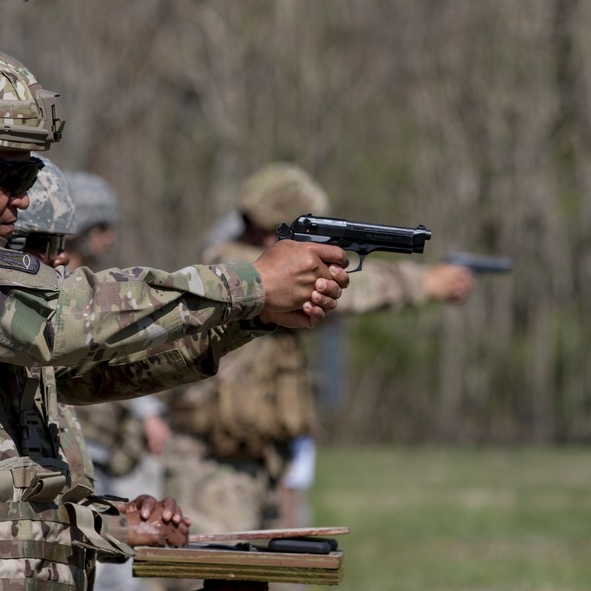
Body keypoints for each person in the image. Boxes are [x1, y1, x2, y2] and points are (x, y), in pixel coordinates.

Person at [0, 41, 349, 591]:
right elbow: (60, 316)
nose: (24, 198)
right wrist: (248, 285)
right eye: (11, 175)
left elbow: (97, 370)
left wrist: (254, 319)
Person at [162, 163, 473, 540]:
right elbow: (357, 291)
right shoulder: (235, 265)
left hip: (264, 462)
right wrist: (425, 283)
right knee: (210, 577)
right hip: (211, 466)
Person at [61, 170, 172, 591]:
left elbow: (125, 351)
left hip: (100, 448)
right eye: (101, 228)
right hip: (70, 449)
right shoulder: (58, 286)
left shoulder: (97, 284)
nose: (109, 238)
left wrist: (148, 413)